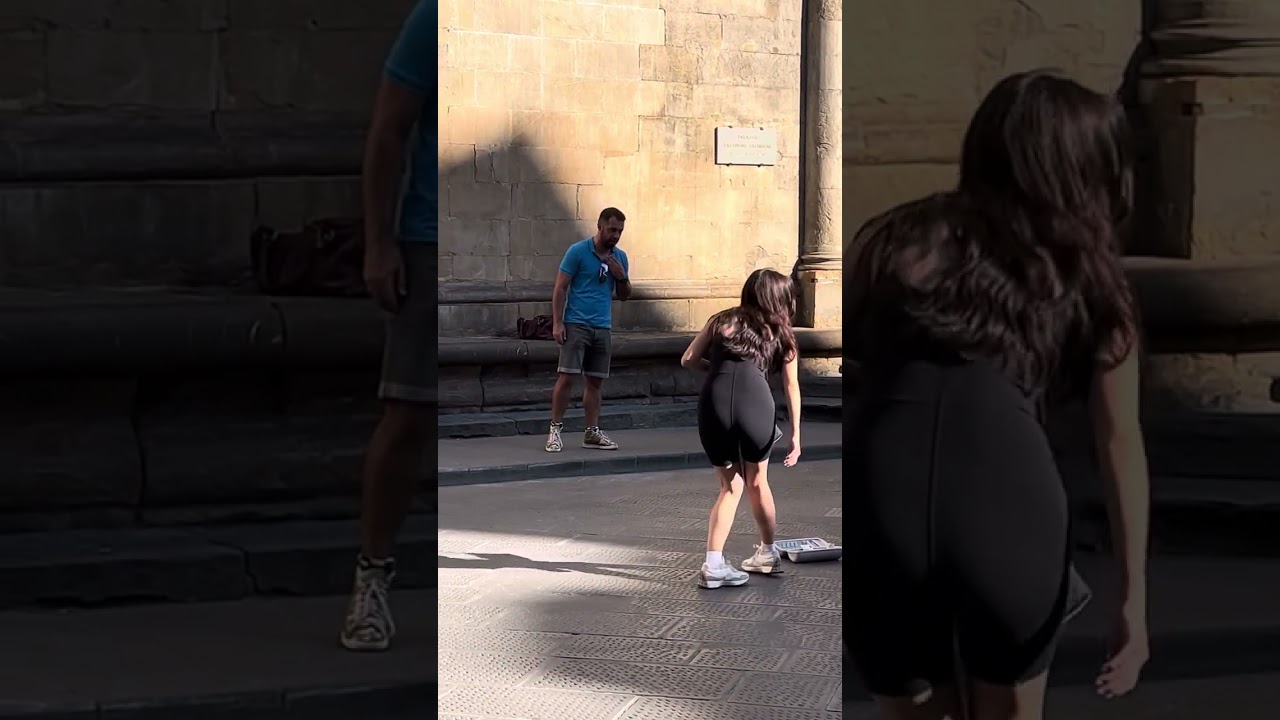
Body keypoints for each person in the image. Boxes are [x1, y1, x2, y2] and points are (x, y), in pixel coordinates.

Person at [844, 70, 1151, 719]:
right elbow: (1119, 443)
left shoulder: (892, 242)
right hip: (1007, 504)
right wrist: (1134, 603)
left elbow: (855, 376)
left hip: (880, 498)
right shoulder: (1084, 271)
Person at [340, 0, 435, 652]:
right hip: (429, 241)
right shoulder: (435, 18)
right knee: (407, 416)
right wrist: (379, 244)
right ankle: (370, 578)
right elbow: (388, 130)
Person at [679, 269, 803, 589]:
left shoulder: (720, 321)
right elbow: (791, 386)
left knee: (730, 487)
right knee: (758, 482)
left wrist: (716, 370)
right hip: (756, 405)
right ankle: (768, 553)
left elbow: (688, 359)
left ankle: (713, 565)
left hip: (715, 404)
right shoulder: (781, 332)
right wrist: (796, 435)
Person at [544, 207, 632, 453]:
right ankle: (555, 429)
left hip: (602, 326)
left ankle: (592, 432)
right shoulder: (578, 251)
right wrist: (558, 322)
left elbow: (625, 295)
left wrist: (621, 276)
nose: (616, 235)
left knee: (595, 381)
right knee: (567, 377)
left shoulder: (620, 257)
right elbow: (560, 288)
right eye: (612, 230)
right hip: (577, 324)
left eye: (620, 231)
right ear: (600, 226)